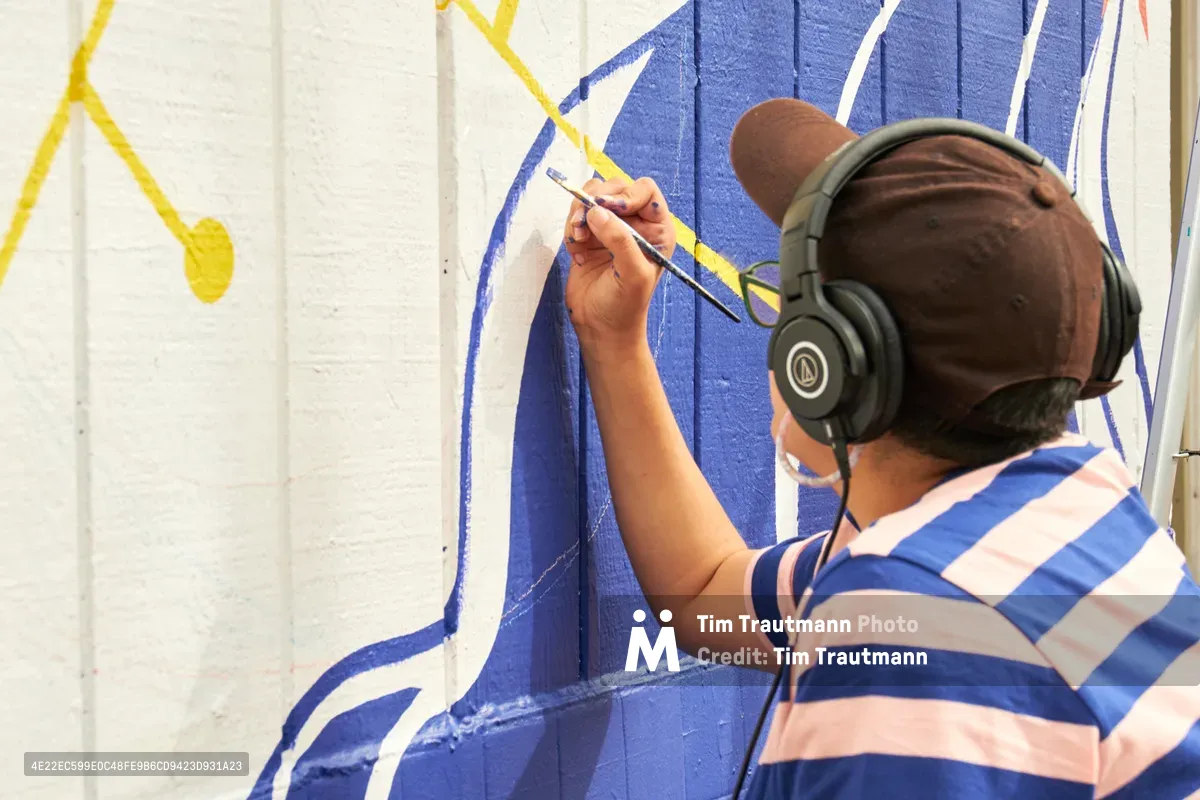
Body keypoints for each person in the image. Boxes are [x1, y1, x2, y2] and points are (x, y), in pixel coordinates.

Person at [559, 97, 1200, 799]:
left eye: (796, 291)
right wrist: (613, 340)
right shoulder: (1067, 518)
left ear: (832, 357)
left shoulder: (915, 631)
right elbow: (705, 597)